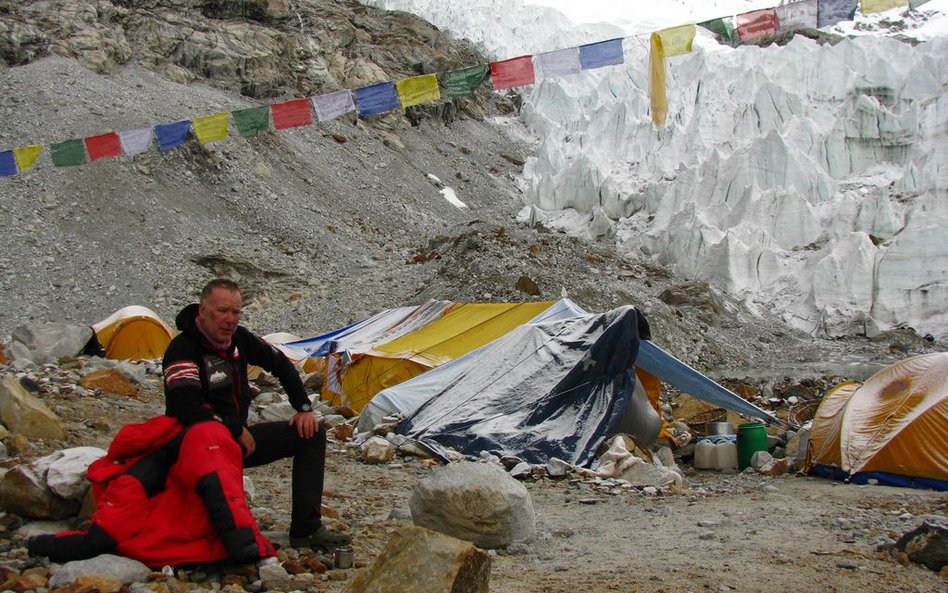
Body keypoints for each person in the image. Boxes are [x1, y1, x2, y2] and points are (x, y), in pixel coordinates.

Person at [162, 277, 351, 553]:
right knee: (211, 440)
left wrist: (303, 408)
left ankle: (306, 529)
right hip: (195, 445)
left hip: (237, 440)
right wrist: (234, 429)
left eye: (236, 312)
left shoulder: (240, 340)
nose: (230, 319)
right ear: (202, 311)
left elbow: (281, 364)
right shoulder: (183, 349)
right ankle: (231, 534)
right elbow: (187, 407)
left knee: (311, 434)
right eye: (223, 311)